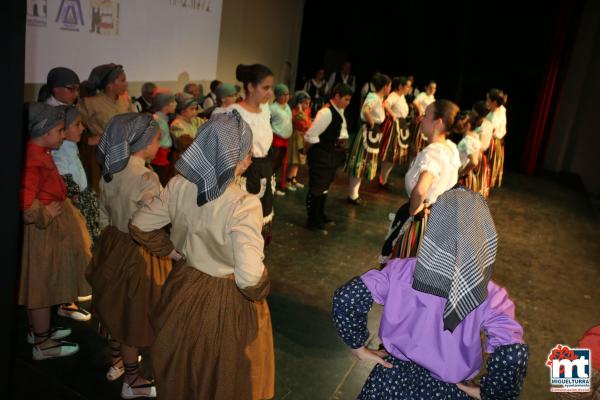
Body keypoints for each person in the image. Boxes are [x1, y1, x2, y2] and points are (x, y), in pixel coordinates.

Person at [129, 111, 274, 400]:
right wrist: (264, 285)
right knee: (223, 375)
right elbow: (248, 280)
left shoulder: (178, 184)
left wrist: (171, 251)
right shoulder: (244, 204)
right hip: (226, 299)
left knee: (182, 365)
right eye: (245, 154)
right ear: (228, 157)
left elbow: (140, 224)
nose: (249, 160)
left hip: (182, 287)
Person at [334, 187, 529, 399]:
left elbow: (348, 296)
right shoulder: (491, 296)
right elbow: (512, 354)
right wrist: (492, 392)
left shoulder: (401, 270)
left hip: (390, 380)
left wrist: (358, 346)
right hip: (447, 391)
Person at [87, 113, 173, 398]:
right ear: (145, 143)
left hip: (113, 242)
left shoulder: (111, 171)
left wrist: (104, 243)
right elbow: (149, 222)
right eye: (158, 140)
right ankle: (132, 380)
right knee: (132, 315)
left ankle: (116, 363)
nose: (160, 146)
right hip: (138, 252)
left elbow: (101, 213)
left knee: (114, 304)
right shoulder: (146, 177)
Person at [20, 103, 92, 360]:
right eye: (60, 130)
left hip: (48, 231)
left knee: (41, 283)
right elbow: (26, 203)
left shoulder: (40, 152)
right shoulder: (34, 158)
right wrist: (44, 213)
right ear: (45, 131)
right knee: (40, 286)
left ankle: (38, 332)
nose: (63, 135)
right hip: (43, 233)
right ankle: (43, 344)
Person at [379, 100, 461, 264]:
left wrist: (412, 212)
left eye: (426, 115)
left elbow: (420, 190)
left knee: (404, 270)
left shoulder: (433, 152)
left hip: (423, 219)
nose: (421, 118)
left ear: (438, 122)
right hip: (440, 219)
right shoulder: (451, 148)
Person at [213, 64, 275, 245]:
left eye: (270, 87)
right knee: (241, 220)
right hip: (242, 171)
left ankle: (255, 257)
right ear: (250, 87)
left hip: (263, 168)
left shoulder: (265, 110)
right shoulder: (233, 112)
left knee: (262, 216)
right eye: (265, 88)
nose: (269, 93)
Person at [78, 63, 137, 192]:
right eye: (122, 80)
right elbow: (72, 125)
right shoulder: (90, 103)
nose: (126, 84)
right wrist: (88, 139)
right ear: (110, 85)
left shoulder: (125, 100)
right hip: (101, 157)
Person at [304, 83, 353, 230]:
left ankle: (320, 214)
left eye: (349, 100)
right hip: (322, 154)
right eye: (346, 99)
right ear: (337, 96)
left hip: (332, 154)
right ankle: (313, 219)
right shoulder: (326, 112)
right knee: (318, 187)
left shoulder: (339, 110)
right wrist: (308, 152)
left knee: (324, 186)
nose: (348, 103)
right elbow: (311, 135)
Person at [346, 73, 392, 205]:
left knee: (363, 163)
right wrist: (371, 123)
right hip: (368, 133)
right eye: (389, 86)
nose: (390, 89)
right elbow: (365, 110)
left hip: (373, 133)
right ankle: (352, 195)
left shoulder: (377, 98)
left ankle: (354, 194)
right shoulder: (373, 97)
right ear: (384, 87)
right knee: (360, 163)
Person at [378, 76, 412, 188]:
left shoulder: (402, 97)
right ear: (400, 86)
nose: (409, 88)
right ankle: (382, 180)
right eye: (407, 86)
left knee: (394, 156)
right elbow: (385, 104)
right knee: (390, 154)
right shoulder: (394, 95)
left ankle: (384, 179)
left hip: (400, 126)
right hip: (394, 127)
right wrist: (392, 115)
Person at [149, 88, 176, 186]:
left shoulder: (163, 119)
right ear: (166, 105)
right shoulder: (157, 120)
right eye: (173, 102)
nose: (176, 104)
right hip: (159, 158)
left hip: (164, 156)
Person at [269, 83, 293, 195]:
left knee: (280, 165)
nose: (286, 97)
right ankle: (270, 187)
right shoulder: (272, 108)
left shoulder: (288, 106)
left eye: (287, 94)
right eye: (283, 95)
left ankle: (276, 185)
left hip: (286, 140)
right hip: (276, 140)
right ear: (277, 96)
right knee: (273, 164)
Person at [286, 90, 311, 190]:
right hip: (296, 138)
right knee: (295, 160)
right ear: (299, 103)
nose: (308, 105)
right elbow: (302, 122)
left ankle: (293, 178)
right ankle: (289, 180)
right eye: (306, 103)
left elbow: (308, 124)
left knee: (300, 160)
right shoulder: (295, 112)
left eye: (309, 103)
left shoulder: (306, 111)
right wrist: (300, 110)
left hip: (303, 137)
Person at [486, 88, 507, 189]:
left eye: (488, 100)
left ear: (494, 102)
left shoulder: (494, 117)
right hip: (496, 141)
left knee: (488, 166)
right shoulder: (501, 110)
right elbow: (502, 106)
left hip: (491, 143)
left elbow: (490, 132)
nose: (486, 102)